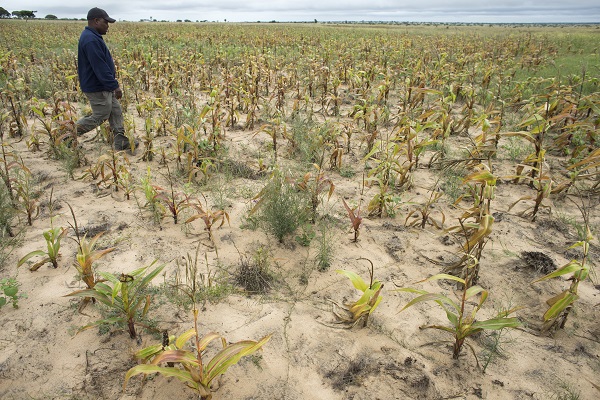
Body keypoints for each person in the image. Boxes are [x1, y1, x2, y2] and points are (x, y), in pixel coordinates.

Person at [75, 7, 136, 151]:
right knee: (101, 115)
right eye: (106, 22)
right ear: (96, 21)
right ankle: (66, 135)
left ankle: (121, 142)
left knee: (115, 111)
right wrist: (114, 85)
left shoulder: (92, 37)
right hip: (97, 86)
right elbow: (100, 67)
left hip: (103, 85)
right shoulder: (90, 40)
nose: (108, 26)